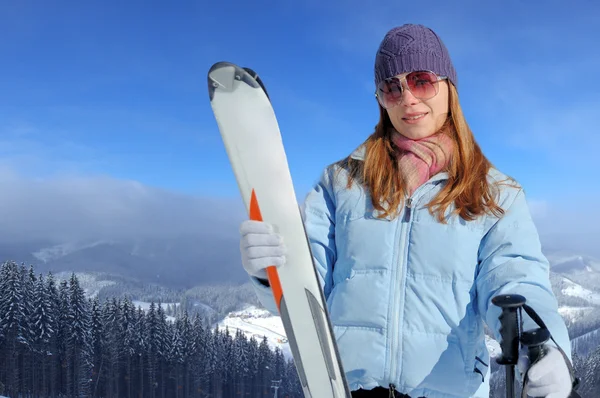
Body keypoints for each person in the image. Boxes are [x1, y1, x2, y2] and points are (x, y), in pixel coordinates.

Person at [238, 24, 577, 398]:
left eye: (421, 80)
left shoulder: (494, 194)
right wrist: (273, 271)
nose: (408, 98)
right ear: (381, 99)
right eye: (391, 87)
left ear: (449, 87)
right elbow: (308, 287)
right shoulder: (341, 183)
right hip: (348, 389)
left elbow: (516, 280)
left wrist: (545, 347)